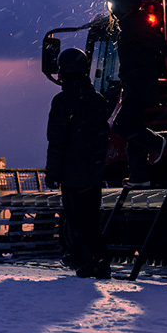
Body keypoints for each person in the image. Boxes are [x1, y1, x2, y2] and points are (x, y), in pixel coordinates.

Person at [107, 0, 167, 187]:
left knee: (121, 125)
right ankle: (139, 176)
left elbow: (159, 44)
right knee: (134, 132)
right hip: (134, 87)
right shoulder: (130, 26)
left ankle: (156, 142)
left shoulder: (135, 27)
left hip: (139, 88)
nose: (113, 10)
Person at [45, 48, 111, 279]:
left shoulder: (62, 102)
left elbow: (57, 141)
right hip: (93, 171)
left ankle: (85, 262)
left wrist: (52, 172)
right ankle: (100, 263)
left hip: (72, 174)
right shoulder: (98, 101)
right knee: (92, 219)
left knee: (76, 220)